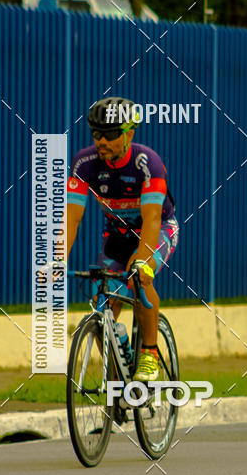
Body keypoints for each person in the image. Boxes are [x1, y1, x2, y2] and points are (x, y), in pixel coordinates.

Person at [65, 97, 179, 381]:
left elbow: (152, 219)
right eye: (96, 134)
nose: (102, 141)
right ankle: (118, 375)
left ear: (129, 133)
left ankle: (150, 354)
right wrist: (56, 258)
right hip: (117, 235)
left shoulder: (148, 162)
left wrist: (142, 260)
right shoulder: (84, 163)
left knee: (142, 276)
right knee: (103, 301)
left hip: (158, 229)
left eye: (111, 134)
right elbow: (71, 218)